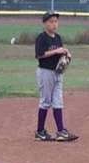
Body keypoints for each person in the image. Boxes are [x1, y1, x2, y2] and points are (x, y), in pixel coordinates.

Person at [34, 11, 79, 142]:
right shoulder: (41, 38)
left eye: (56, 21)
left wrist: (66, 55)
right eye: (51, 22)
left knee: (58, 101)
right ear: (44, 24)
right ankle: (40, 132)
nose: (54, 24)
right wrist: (57, 50)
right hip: (45, 72)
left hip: (57, 73)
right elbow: (39, 55)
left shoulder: (57, 37)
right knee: (45, 101)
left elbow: (60, 54)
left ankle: (61, 131)